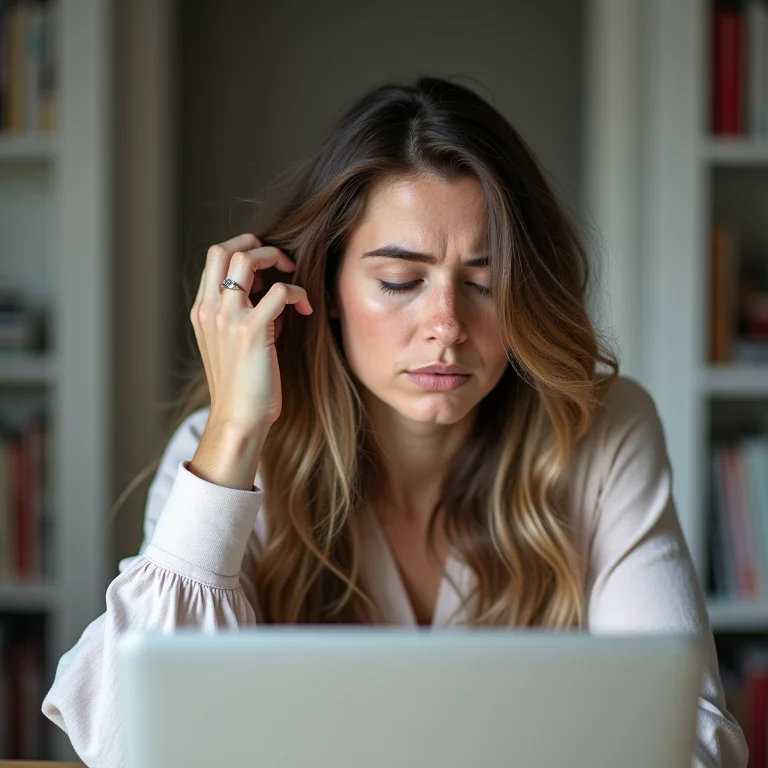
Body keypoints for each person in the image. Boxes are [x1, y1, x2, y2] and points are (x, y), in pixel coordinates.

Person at [42, 76, 748, 768]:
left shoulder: (604, 432)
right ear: (327, 287)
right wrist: (233, 432)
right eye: (401, 281)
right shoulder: (219, 449)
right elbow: (133, 745)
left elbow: (685, 742)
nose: (445, 327)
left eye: (484, 281)